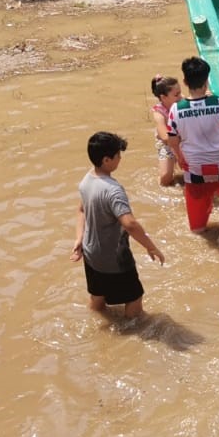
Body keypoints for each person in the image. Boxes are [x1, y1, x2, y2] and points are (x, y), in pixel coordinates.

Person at [72, 131, 165, 317]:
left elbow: (81, 210)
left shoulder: (86, 180)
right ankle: (131, 336)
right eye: (117, 155)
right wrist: (151, 247)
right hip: (114, 259)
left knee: (97, 296)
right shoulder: (113, 190)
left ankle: (98, 325)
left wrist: (79, 238)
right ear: (107, 160)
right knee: (134, 298)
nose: (120, 158)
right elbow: (129, 224)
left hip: (91, 253)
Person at [166, 56, 219, 234]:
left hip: (196, 171)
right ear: (206, 81)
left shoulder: (176, 109)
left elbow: (172, 140)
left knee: (197, 231)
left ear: (185, 81)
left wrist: (180, 157)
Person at [149, 73, 184, 187]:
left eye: (180, 92)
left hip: (183, 138)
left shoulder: (182, 101)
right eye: (176, 94)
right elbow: (165, 137)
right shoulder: (158, 112)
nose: (181, 97)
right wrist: (179, 155)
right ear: (163, 97)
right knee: (165, 178)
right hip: (167, 143)